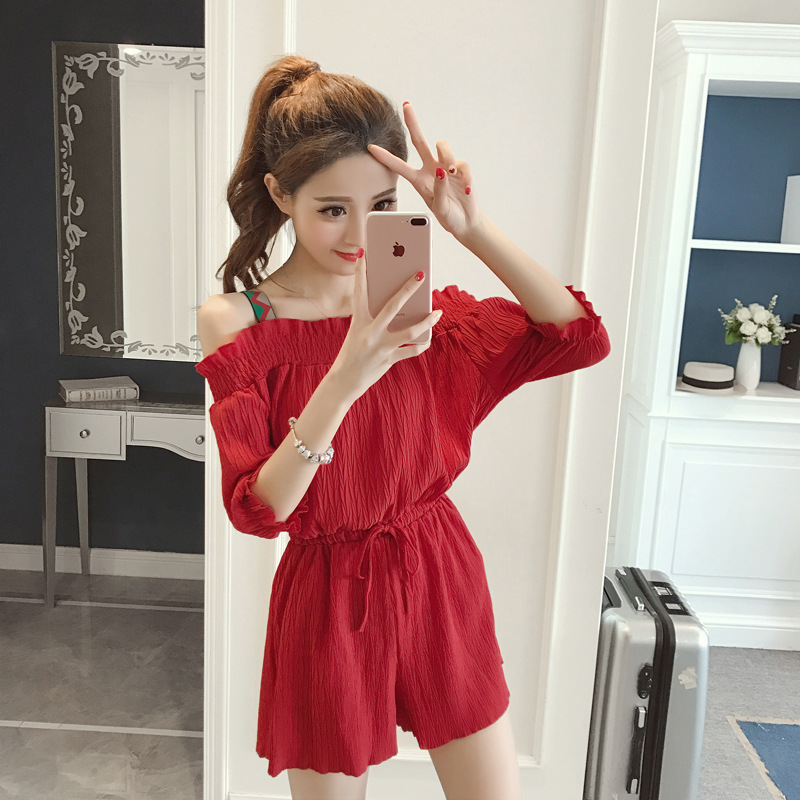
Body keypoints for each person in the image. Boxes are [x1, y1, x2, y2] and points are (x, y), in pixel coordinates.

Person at [196, 54, 611, 800]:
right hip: (325, 597)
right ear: (281, 194)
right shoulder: (238, 322)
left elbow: (578, 338)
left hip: (438, 574)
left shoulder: (422, 311)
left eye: (383, 203)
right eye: (332, 208)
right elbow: (259, 509)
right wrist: (347, 373)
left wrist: (472, 229)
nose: (361, 234)